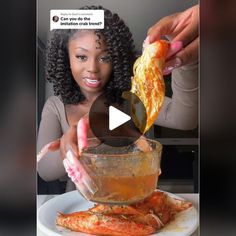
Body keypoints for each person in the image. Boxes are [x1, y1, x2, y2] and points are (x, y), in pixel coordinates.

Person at [37, 5, 198, 192]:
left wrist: (186, 61)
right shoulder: (55, 106)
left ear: (117, 59)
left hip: (134, 201)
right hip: (78, 209)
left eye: (105, 58)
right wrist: (73, 147)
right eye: (81, 57)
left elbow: (185, 119)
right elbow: (45, 170)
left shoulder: (131, 99)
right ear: (65, 58)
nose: (92, 68)